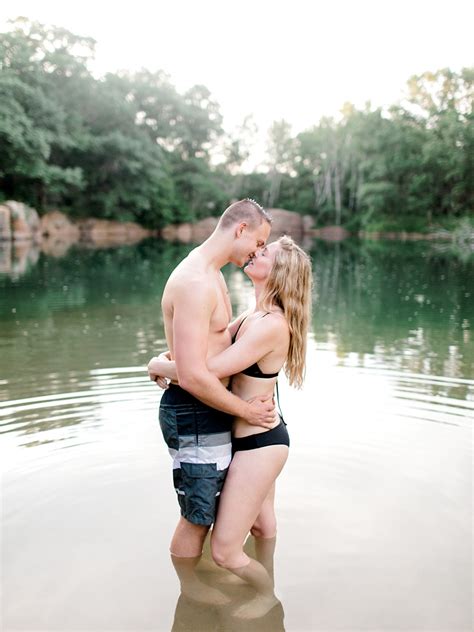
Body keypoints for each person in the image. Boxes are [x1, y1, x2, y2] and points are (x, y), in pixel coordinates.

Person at [149, 235, 312, 617]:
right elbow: (205, 353)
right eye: (257, 247)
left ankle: (265, 593)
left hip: (260, 443)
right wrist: (166, 355)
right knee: (261, 526)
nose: (255, 253)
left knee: (224, 551)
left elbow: (207, 372)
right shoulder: (254, 317)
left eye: (264, 253)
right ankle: (264, 570)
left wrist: (157, 367)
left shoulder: (271, 325)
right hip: (256, 435)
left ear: (280, 271)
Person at [154, 199, 277, 573]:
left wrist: (163, 360)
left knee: (210, 508)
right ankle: (190, 594)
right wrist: (246, 410)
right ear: (240, 229)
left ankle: (203, 584)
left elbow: (204, 344)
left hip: (209, 406)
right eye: (258, 242)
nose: (257, 251)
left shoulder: (212, 273)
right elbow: (191, 376)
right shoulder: (195, 281)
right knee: (198, 515)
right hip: (194, 410)